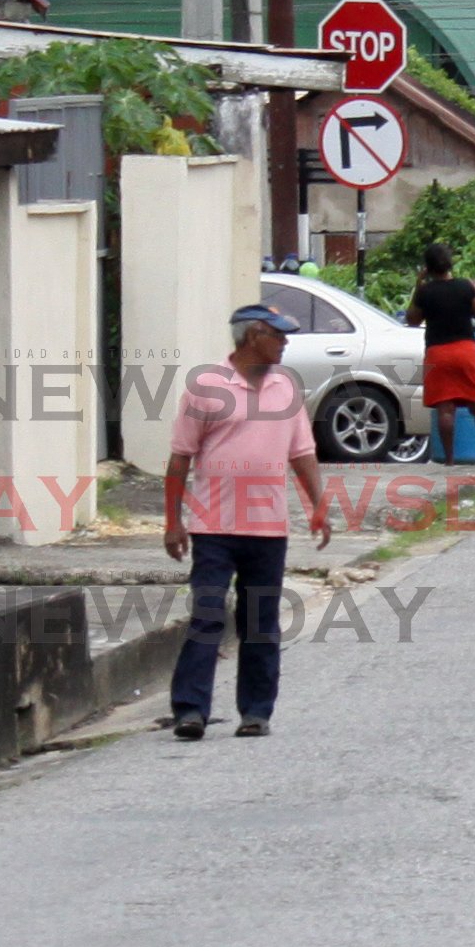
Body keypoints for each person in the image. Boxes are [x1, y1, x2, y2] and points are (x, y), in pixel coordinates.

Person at [163, 302, 334, 737]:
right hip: (213, 525)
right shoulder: (206, 386)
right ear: (252, 336)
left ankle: (256, 711)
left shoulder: (286, 389)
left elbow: (302, 453)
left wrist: (319, 505)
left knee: (260, 621)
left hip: (267, 527)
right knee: (207, 616)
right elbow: (180, 457)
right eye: (278, 335)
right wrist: (173, 521)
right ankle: (190, 709)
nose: (285, 343)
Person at [406, 240, 475, 464]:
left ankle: (450, 460)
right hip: (466, 350)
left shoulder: (425, 292)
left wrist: (418, 285)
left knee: (445, 409)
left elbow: (412, 321)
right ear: (449, 265)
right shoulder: (465, 286)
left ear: (427, 268)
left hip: (438, 353)